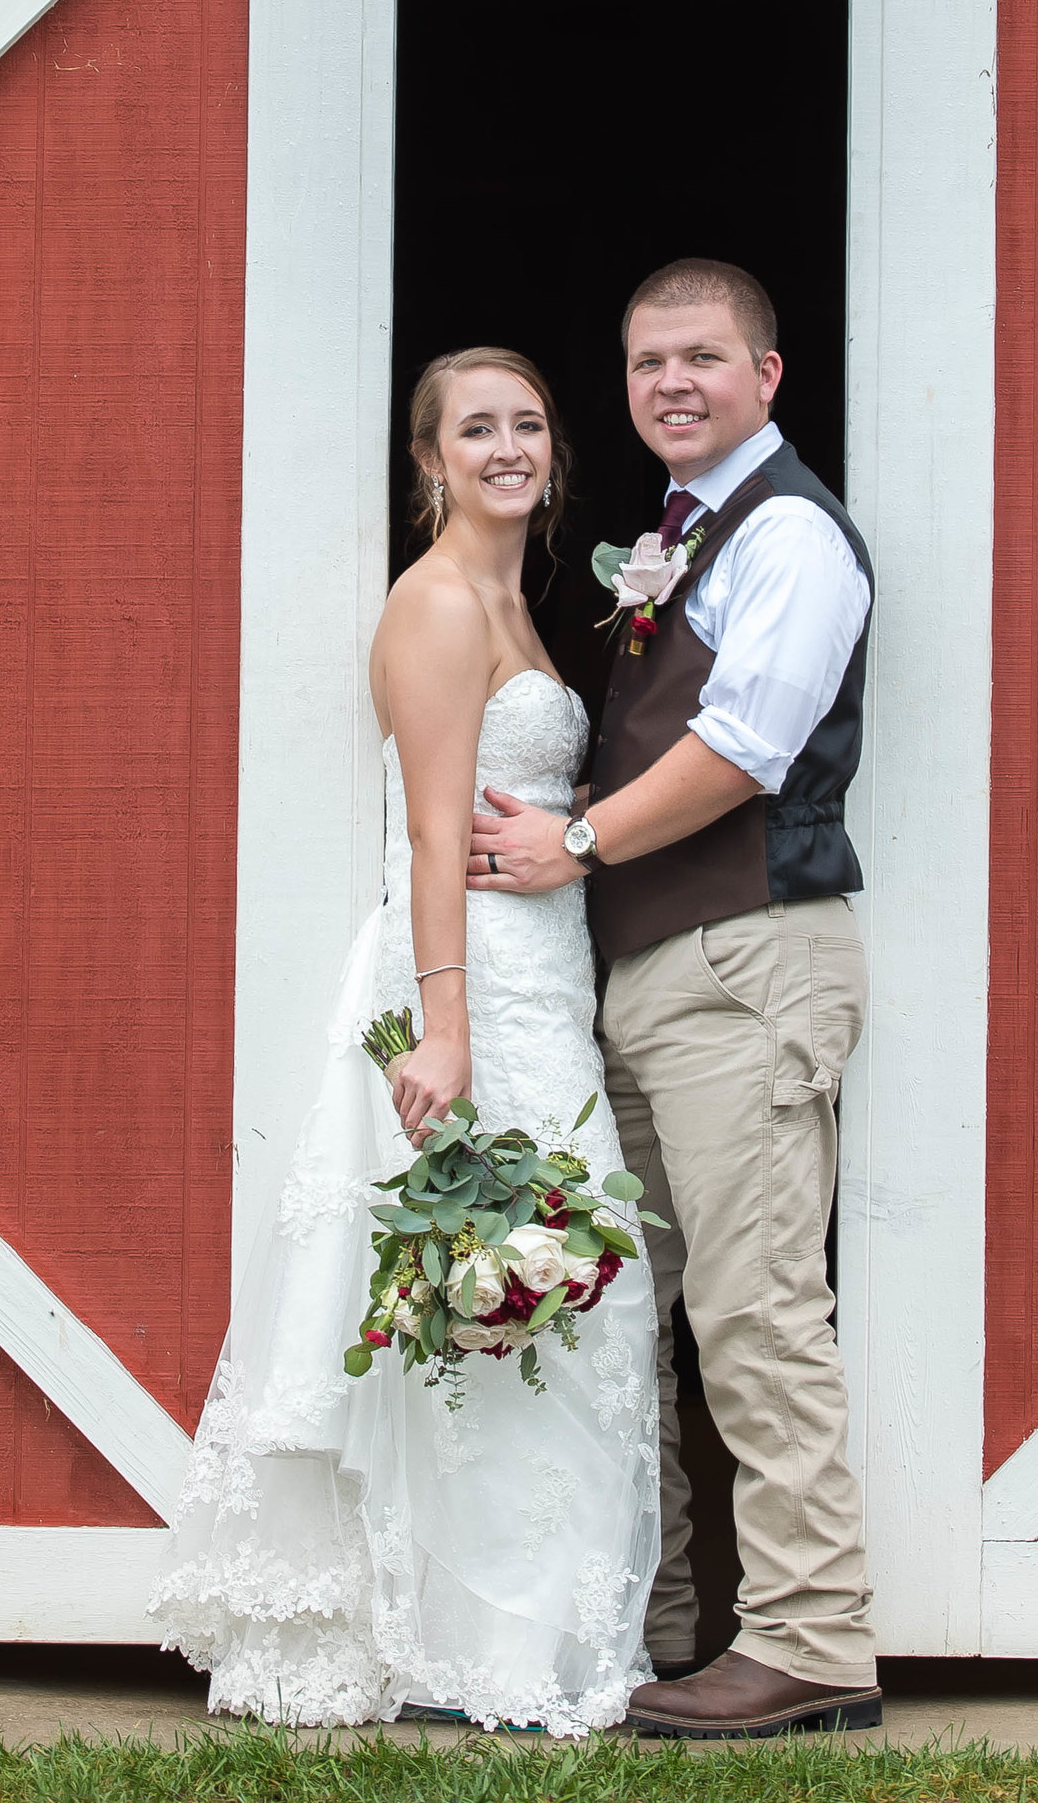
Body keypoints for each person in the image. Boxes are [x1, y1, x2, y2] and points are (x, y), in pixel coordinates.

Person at [147, 348, 660, 1737]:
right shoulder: (436, 605)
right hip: (477, 988)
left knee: (548, 1295)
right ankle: (457, 1637)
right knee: (489, 1292)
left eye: (529, 424)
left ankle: (517, 1632)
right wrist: (445, 1031)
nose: (508, 446)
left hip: (538, 976)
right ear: (428, 459)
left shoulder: (512, 595)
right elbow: (434, 832)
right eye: (476, 428)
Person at [468, 260, 881, 1740]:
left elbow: (744, 752)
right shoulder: (680, 533)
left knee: (757, 1307)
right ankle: (666, 1622)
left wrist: (572, 841)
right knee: (631, 1309)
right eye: (649, 364)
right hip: (652, 970)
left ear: (770, 375)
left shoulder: (792, 539)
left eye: (704, 357)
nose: (673, 385)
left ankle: (815, 1638)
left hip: (751, 958)